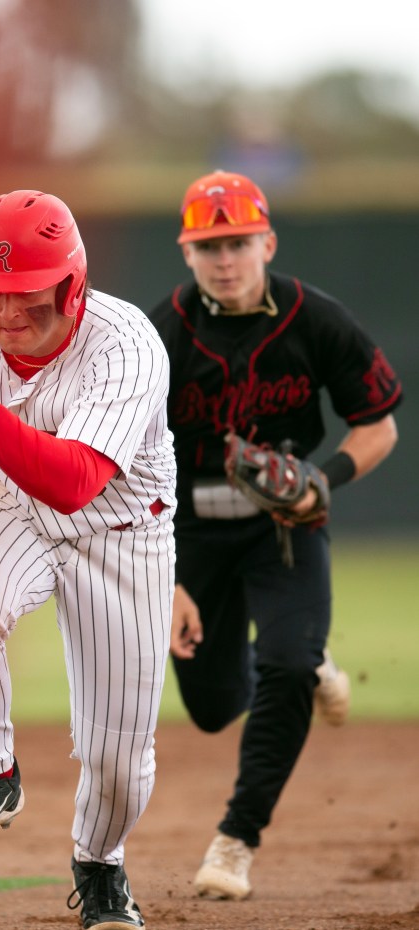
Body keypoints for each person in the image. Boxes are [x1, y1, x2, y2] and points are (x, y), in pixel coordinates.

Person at [0, 190, 177, 930]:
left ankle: (100, 867)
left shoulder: (125, 343)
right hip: (6, 488)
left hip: (121, 525)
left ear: (73, 285)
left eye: (26, 295)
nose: (3, 313)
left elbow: (73, 483)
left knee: (119, 763)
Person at [148, 170, 402, 900]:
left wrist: (327, 479)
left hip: (284, 529)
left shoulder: (315, 319)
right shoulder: (158, 334)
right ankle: (308, 667)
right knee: (212, 705)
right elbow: (115, 463)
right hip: (188, 534)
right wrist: (164, 579)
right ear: (186, 253)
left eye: (237, 243)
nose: (225, 260)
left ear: (268, 242)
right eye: (208, 246)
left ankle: (235, 841)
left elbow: (377, 423)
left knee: (284, 664)